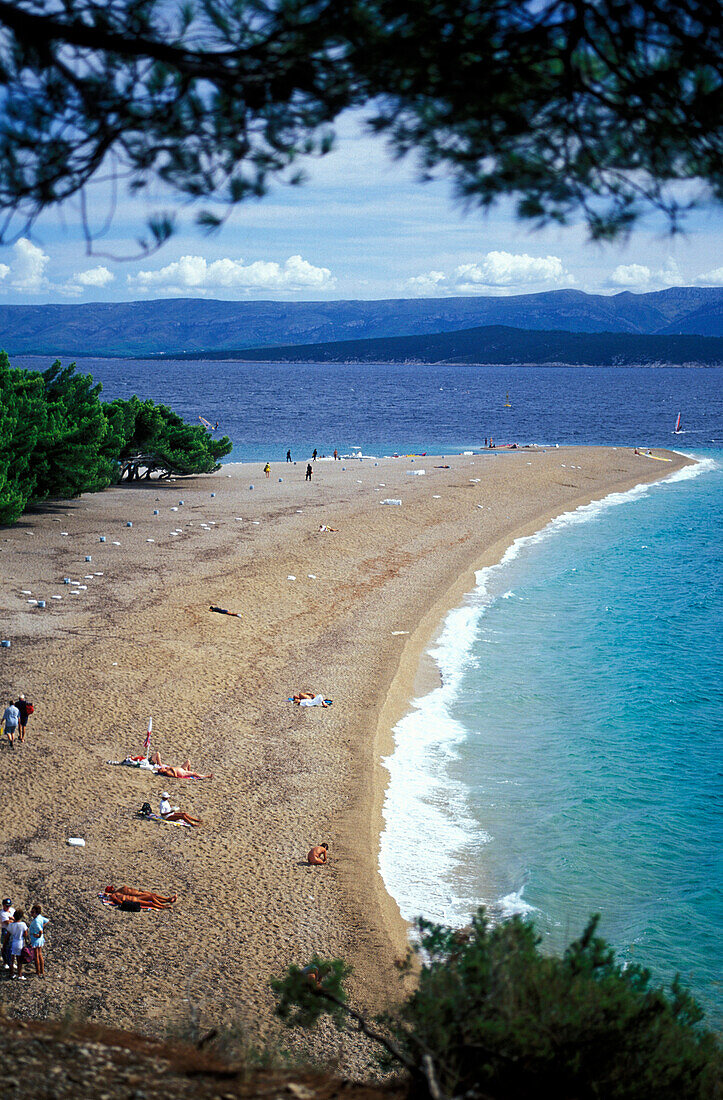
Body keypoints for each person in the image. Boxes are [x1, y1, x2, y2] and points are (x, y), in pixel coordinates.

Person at [104, 885, 177, 909]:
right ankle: (163, 906)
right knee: (151, 901)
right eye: (112, 888)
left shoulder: (119, 891)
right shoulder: (116, 894)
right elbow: (119, 901)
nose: (113, 888)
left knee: (152, 896)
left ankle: (168, 900)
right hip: (136, 898)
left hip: (137, 895)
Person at [7, 908, 28, 979]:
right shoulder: (23, 924)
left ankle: (11, 973)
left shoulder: (11, 925)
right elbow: (25, 934)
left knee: (12, 960)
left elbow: (8, 935)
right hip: (19, 942)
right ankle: (20, 974)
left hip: (12, 942)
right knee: (19, 960)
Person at [28, 904, 49, 977]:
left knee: (36, 955)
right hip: (40, 939)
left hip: (36, 939)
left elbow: (40, 931)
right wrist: (42, 927)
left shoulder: (36, 921)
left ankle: (38, 971)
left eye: (32, 912)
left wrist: (38, 934)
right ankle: (42, 971)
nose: (31, 913)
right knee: (40, 954)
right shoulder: (40, 918)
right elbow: (47, 920)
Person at [1, 897, 15, 969]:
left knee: (11, 947)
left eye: (9, 906)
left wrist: (11, 919)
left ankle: (11, 962)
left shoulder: (12, 910)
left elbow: (16, 918)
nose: (8, 907)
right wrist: (12, 919)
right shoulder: (2, 913)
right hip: (5, 930)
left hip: (12, 930)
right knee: (5, 946)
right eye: (6, 906)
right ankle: (5, 962)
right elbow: (7, 922)